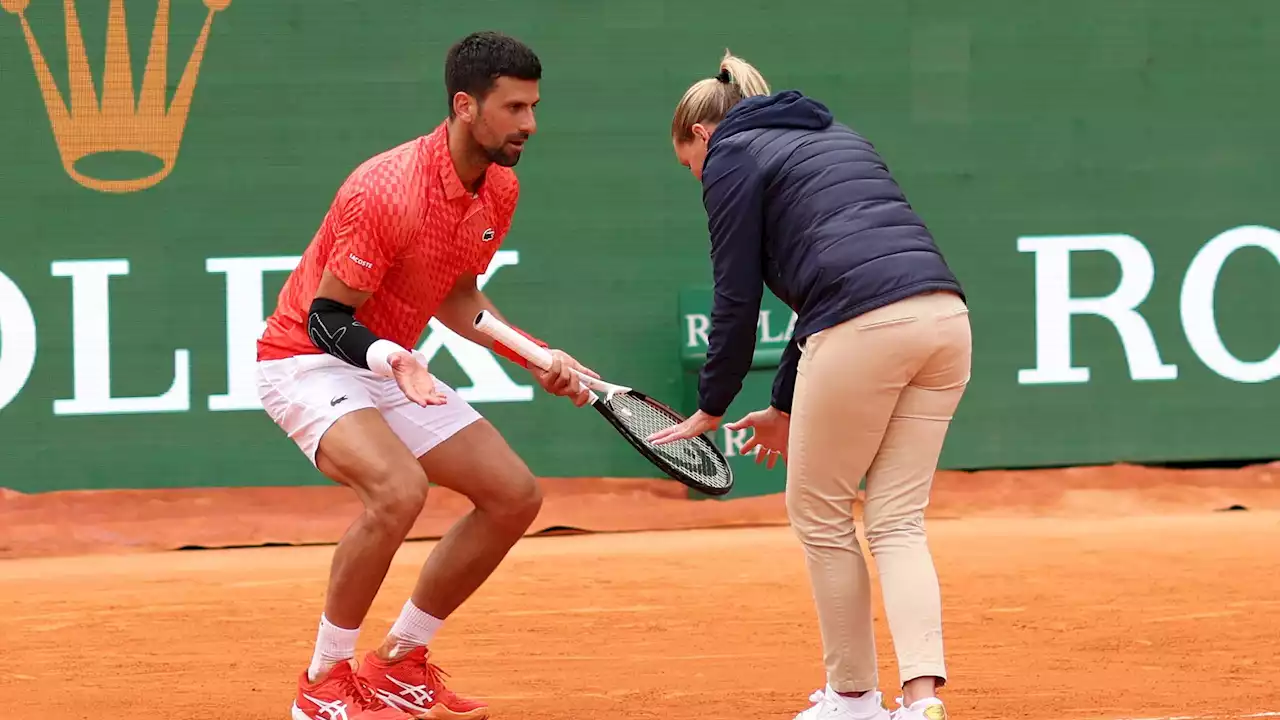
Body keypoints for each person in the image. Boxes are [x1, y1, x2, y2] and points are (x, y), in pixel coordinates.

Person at [255, 31, 596, 720]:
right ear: (466, 106)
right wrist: (392, 357)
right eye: (515, 108)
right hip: (305, 359)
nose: (530, 124)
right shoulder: (385, 190)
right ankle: (323, 681)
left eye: (533, 107)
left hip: (387, 362)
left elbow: (458, 297)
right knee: (396, 491)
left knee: (513, 496)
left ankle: (400, 663)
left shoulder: (499, 186)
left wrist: (537, 358)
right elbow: (326, 318)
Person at [649, 51, 971, 720]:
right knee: (897, 521)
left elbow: (736, 297)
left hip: (864, 329)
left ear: (703, 135)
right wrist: (781, 404)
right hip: (946, 322)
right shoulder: (838, 134)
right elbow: (819, 295)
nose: (697, 178)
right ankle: (920, 699)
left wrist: (712, 404)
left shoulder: (731, 157)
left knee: (820, 514)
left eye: (689, 165)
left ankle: (852, 697)